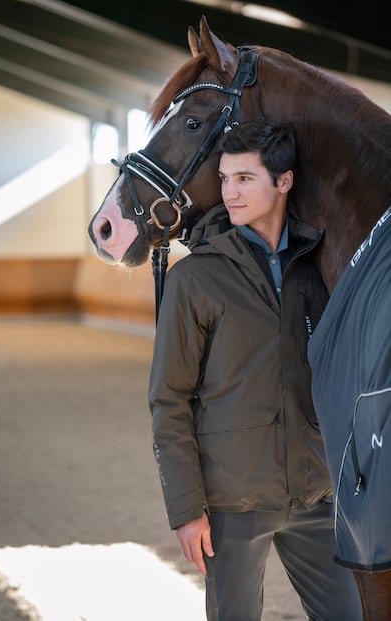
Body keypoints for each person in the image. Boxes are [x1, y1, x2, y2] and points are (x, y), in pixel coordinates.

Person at [149, 120, 362, 621]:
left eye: (245, 178)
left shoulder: (321, 267)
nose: (230, 192)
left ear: (284, 181)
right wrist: (186, 510)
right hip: (232, 502)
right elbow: (169, 399)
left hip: (317, 494)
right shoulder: (194, 279)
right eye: (225, 179)